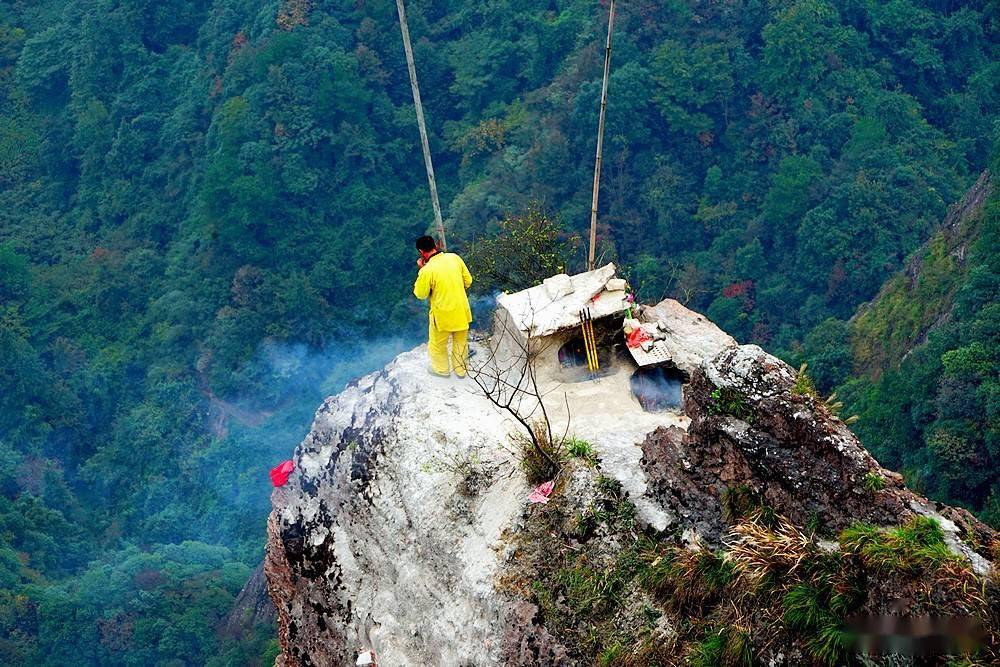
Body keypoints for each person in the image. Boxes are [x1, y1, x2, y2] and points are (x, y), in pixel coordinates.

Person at [413, 236, 474, 377]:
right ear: (435, 245)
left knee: (437, 345)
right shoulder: (454, 258)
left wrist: (422, 269)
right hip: (461, 309)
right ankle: (461, 370)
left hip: (442, 315)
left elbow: (420, 294)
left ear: (421, 252)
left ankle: (442, 370)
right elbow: (468, 281)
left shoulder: (427, 270)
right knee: (461, 343)